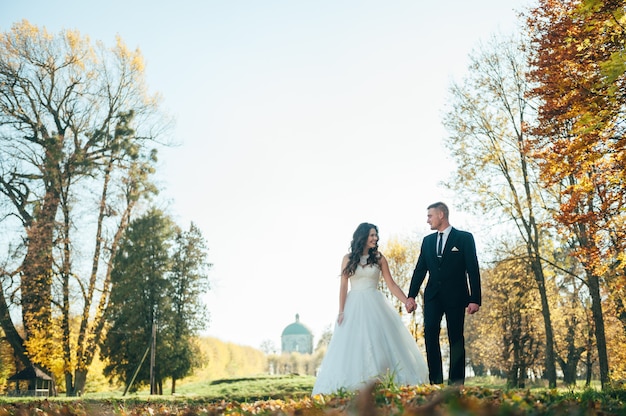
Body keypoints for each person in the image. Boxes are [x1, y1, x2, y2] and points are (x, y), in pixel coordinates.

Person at [312, 222, 428, 395]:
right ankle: (354, 386)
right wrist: (341, 311)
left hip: (376, 305)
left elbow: (392, 284)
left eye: (376, 235)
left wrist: (406, 301)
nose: (375, 238)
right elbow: (343, 286)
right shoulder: (348, 258)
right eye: (372, 235)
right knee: (353, 345)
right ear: (363, 237)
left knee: (378, 343)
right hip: (354, 305)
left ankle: (381, 382)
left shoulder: (379, 258)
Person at [406, 202, 481, 386]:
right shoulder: (427, 241)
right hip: (432, 297)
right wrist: (411, 296)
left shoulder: (464, 238)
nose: (427, 220)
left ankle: (456, 384)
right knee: (430, 333)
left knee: (455, 338)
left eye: (430, 216)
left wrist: (475, 299)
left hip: (457, 297)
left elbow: (473, 268)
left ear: (441, 215)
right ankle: (435, 381)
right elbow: (420, 270)